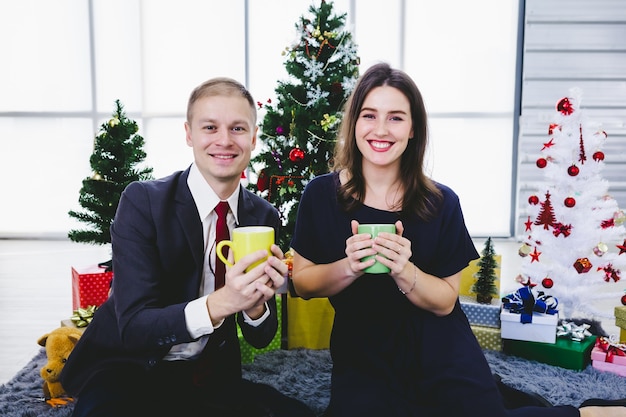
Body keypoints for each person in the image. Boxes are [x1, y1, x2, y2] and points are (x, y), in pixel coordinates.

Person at [289, 62, 626, 417]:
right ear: (354, 123)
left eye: (396, 118)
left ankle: (588, 413)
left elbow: (445, 302)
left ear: (414, 128)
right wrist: (350, 267)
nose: (381, 130)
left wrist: (405, 271)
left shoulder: (440, 202)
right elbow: (304, 283)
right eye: (370, 115)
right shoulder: (321, 194)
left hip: (438, 343)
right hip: (363, 349)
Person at [60, 77, 315, 417]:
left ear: (253, 138)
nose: (224, 140)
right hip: (127, 368)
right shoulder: (143, 202)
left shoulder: (262, 215)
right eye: (210, 127)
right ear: (189, 134)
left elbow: (260, 337)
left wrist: (255, 307)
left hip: (206, 375)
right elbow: (135, 327)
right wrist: (220, 303)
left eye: (238, 128)